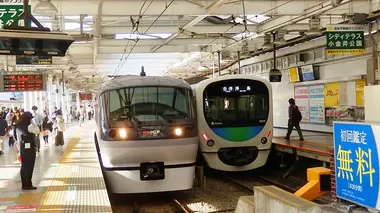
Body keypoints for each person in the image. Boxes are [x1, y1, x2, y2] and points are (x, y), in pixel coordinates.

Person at [15, 111, 40, 190]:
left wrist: (19, 151)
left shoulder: (18, 127)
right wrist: (33, 122)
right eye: (31, 118)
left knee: (24, 167)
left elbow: (17, 140)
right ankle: (28, 185)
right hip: (30, 150)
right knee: (29, 167)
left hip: (22, 149)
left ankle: (25, 184)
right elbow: (37, 130)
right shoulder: (29, 127)